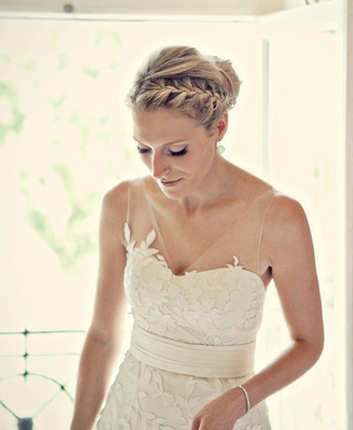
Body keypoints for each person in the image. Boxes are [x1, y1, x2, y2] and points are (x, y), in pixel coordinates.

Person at [71, 45, 324, 430]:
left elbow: (308, 342)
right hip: (130, 413)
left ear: (219, 127)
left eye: (176, 150)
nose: (157, 168)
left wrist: (238, 402)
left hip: (227, 419)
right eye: (143, 149)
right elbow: (102, 337)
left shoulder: (278, 217)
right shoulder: (122, 204)